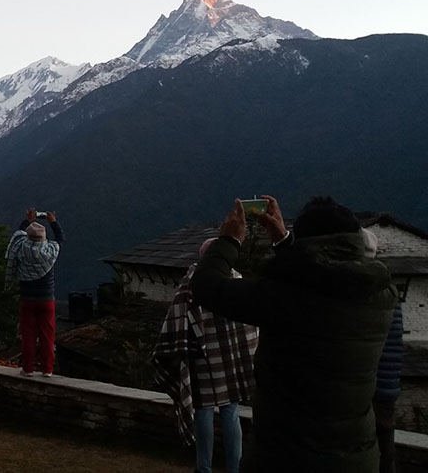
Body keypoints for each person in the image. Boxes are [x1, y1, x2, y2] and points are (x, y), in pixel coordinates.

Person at [190, 196, 398, 472]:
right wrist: (284, 241)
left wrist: (229, 240)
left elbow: (207, 286)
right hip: (356, 458)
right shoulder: (382, 295)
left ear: (306, 243)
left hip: (285, 457)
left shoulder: (283, 298)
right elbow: (323, 275)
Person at [154, 237, 258, 473]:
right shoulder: (236, 279)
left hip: (201, 356)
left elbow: (177, 319)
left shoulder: (191, 283)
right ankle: (234, 467)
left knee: (203, 410)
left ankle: (204, 468)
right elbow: (248, 325)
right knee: (230, 410)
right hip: (230, 359)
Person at [5, 208, 64, 377]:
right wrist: (53, 221)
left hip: (27, 299)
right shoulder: (51, 251)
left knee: (28, 334)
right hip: (47, 300)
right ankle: (48, 369)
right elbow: (60, 238)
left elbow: (17, 234)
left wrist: (28, 221)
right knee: (47, 334)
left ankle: (28, 369)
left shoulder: (20, 248)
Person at [365, 227, 404, 473]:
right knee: (385, 441)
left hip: (368, 384)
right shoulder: (390, 293)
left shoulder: (365, 295)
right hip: (390, 385)